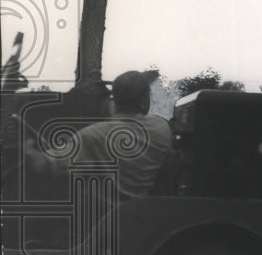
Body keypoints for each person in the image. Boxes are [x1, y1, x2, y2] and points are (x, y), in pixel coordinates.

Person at [25, 70, 174, 200]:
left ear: (114, 100)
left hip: (101, 224)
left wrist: (28, 149)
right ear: (144, 100)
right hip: (144, 219)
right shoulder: (162, 129)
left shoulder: (91, 136)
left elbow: (44, 166)